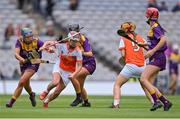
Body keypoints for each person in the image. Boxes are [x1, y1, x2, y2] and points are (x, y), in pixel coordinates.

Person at [111, 22, 153, 108]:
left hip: (131, 66)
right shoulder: (140, 38)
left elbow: (123, 54)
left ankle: (116, 104)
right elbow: (149, 49)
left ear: (125, 30)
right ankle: (154, 102)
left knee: (117, 85)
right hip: (142, 66)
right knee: (145, 87)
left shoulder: (123, 38)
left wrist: (124, 59)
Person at [139, 7, 172, 111]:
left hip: (157, 57)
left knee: (143, 79)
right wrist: (144, 44)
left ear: (148, 15)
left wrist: (152, 51)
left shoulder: (155, 27)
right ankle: (165, 102)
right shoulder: (153, 27)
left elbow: (163, 39)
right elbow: (153, 44)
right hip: (157, 57)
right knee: (149, 83)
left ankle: (156, 102)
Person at [39, 31, 83, 108]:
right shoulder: (61, 45)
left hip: (69, 71)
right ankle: (46, 91)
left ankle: (46, 101)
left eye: (76, 41)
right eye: (73, 41)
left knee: (57, 92)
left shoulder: (78, 51)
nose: (75, 43)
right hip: (59, 66)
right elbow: (48, 43)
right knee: (55, 82)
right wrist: (44, 47)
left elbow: (79, 66)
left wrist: (74, 74)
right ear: (69, 40)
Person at [6, 28, 44, 107]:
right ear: (23, 37)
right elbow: (16, 54)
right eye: (28, 37)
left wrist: (49, 48)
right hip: (24, 63)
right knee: (26, 84)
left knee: (22, 81)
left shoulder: (37, 41)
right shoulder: (19, 41)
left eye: (31, 36)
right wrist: (21, 59)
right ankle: (32, 94)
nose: (30, 38)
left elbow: (45, 45)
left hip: (34, 63)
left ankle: (11, 102)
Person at [68, 24, 96, 107]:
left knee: (74, 77)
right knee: (80, 85)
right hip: (81, 64)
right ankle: (86, 102)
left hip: (89, 63)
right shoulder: (70, 39)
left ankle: (78, 98)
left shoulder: (83, 39)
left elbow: (90, 54)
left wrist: (80, 52)